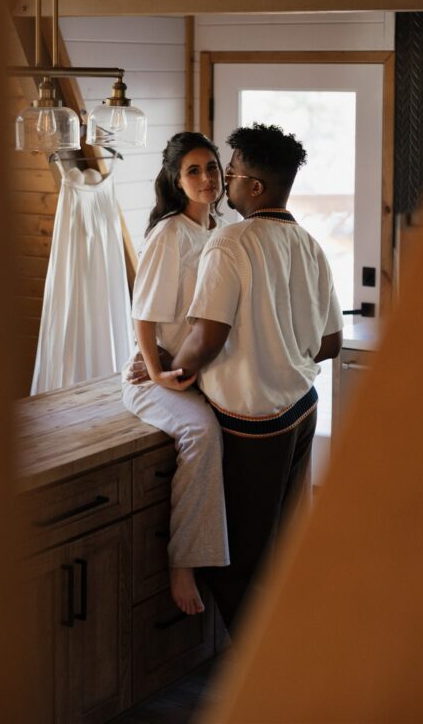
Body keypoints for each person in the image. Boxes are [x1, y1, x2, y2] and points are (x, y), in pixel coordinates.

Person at [146, 122, 344, 632]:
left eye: (229, 172)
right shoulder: (310, 245)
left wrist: (166, 369)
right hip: (302, 408)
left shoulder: (231, 242)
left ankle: (267, 669)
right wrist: (281, 347)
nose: (223, 182)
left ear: (254, 187)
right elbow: (330, 343)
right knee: (282, 545)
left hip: (255, 422)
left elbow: (207, 338)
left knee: (237, 563)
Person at [122, 132, 230, 616]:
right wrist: (155, 371)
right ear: (175, 180)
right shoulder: (169, 234)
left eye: (211, 167)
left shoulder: (222, 230)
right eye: (193, 171)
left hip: (192, 367)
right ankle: (182, 562)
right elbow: (143, 314)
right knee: (201, 432)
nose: (206, 178)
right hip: (154, 375)